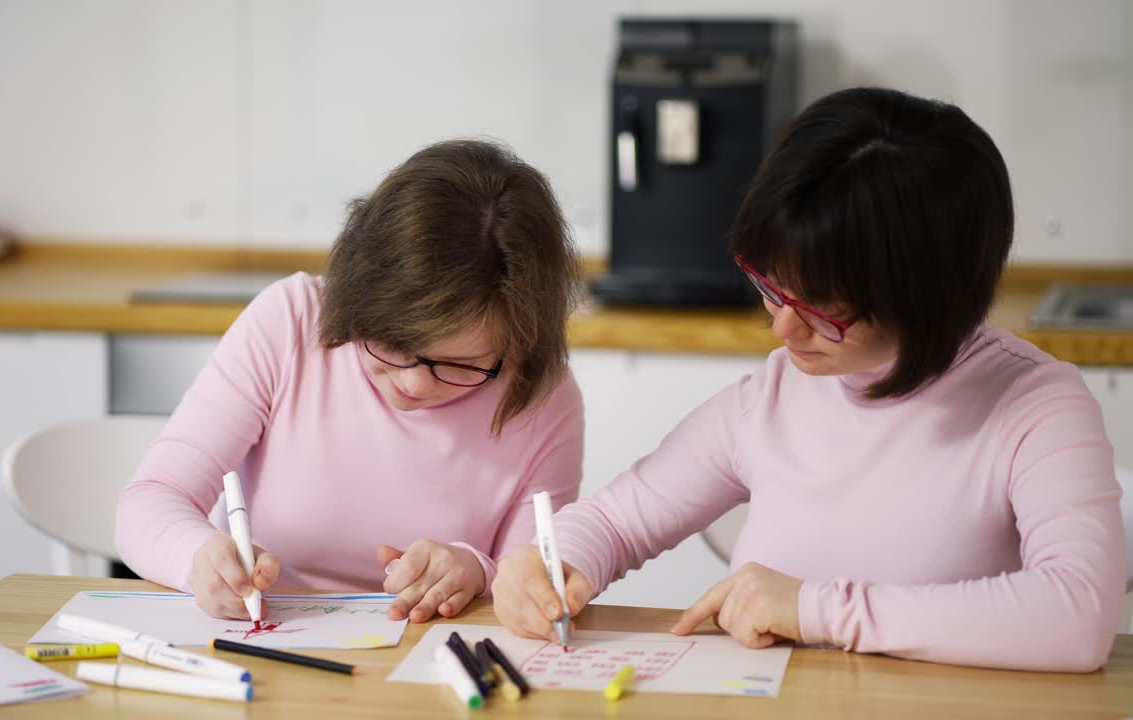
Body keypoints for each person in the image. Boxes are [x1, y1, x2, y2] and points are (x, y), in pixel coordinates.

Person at [492, 87, 1126, 673]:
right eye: (771, 288)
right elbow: (617, 521)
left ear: (929, 298)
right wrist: (550, 564)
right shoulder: (771, 399)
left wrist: (813, 609)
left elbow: (1077, 616)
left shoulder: (1035, 407)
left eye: (824, 309)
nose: (783, 332)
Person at [116, 139, 585, 625]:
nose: (414, 383)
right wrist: (199, 561)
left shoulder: (544, 397)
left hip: (433, 668)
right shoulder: (291, 322)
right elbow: (148, 501)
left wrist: (477, 570)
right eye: (393, 342)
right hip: (267, 648)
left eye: (461, 364)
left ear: (520, 338)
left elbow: (534, 585)